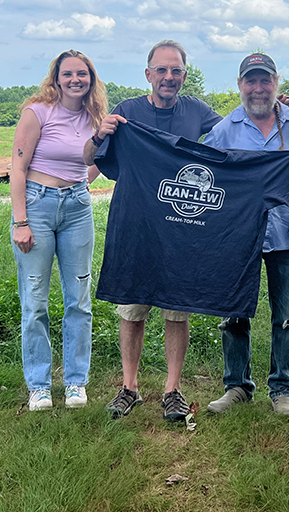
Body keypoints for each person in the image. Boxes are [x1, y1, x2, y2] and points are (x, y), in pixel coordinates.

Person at [83, 40, 222, 422]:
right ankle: (129, 387)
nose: (168, 77)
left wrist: (273, 120)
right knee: (132, 308)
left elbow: (233, 140)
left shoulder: (197, 111)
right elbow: (90, 160)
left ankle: (172, 390)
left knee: (177, 311)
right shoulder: (127, 111)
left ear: (184, 75)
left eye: (175, 70)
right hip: (136, 225)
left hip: (182, 226)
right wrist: (100, 134)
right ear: (148, 74)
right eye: (161, 70)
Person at [203, 54, 289, 416]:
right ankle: (237, 387)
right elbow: (207, 179)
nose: (258, 88)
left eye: (265, 80)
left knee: (287, 316)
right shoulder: (223, 130)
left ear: (276, 82)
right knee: (233, 314)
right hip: (236, 237)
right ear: (240, 84)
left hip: (286, 235)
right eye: (251, 81)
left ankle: (282, 389)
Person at [10, 49, 108, 411]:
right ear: (56, 78)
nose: (75, 80)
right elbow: (17, 169)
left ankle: (75, 383)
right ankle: (38, 384)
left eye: (82, 74)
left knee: (78, 300)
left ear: (91, 79)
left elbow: (96, 160)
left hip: (77, 209)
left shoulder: (95, 117)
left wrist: (82, 183)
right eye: (68, 74)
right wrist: (21, 221)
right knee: (35, 301)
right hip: (36, 205)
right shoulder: (37, 112)